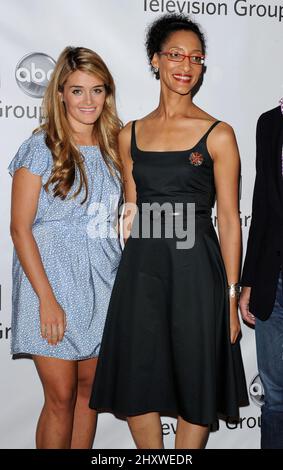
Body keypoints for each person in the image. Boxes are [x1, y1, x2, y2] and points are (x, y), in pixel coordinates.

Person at [90, 14, 248, 449]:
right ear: (155, 61)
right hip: (142, 272)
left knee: (196, 380)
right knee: (138, 379)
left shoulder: (218, 134)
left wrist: (231, 297)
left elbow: (230, 219)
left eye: (196, 58)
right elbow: (132, 208)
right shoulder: (129, 135)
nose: (186, 65)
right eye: (175, 55)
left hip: (197, 272)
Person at [8, 46, 122, 449]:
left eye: (97, 90)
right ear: (60, 93)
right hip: (52, 284)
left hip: (104, 283)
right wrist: (46, 300)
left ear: (107, 93)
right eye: (77, 91)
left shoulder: (116, 148)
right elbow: (20, 229)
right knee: (60, 398)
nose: (88, 101)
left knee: (90, 397)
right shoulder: (41, 147)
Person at [240, 99, 283, 449]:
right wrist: (248, 281)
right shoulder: (269, 122)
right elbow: (262, 205)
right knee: (277, 398)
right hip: (274, 280)